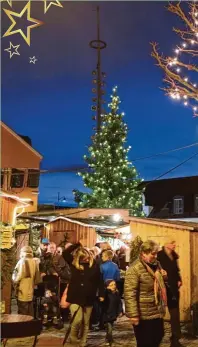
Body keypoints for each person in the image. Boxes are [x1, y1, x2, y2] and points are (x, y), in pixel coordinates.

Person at [124, 240, 167, 347]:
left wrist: (164, 277)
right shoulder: (135, 269)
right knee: (145, 342)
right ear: (144, 253)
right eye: (153, 253)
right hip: (143, 313)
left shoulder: (157, 265)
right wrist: (133, 315)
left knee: (159, 336)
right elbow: (130, 293)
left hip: (156, 309)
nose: (156, 256)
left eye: (156, 253)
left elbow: (158, 283)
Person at [62, 244, 104, 347]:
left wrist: (101, 294)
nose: (85, 259)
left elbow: (100, 281)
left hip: (89, 297)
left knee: (86, 323)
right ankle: (74, 339)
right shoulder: (73, 264)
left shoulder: (94, 265)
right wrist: (76, 245)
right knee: (77, 320)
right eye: (82, 257)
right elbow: (65, 253)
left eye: (86, 257)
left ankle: (83, 342)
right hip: (75, 297)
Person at [157, 238, 182, 347]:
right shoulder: (159, 255)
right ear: (166, 244)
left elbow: (176, 270)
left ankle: (175, 339)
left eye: (174, 243)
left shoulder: (174, 255)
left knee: (175, 314)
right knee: (158, 314)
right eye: (173, 243)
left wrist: (179, 279)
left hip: (173, 290)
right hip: (162, 288)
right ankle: (157, 337)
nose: (174, 245)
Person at [12, 246, 41, 316]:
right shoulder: (34, 262)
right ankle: (29, 325)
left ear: (22, 252)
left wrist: (14, 280)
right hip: (30, 289)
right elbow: (36, 276)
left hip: (22, 289)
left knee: (22, 310)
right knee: (30, 309)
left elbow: (17, 275)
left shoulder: (22, 261)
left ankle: (22, 326)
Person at [103, 280, 123, 346]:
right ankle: (110, 341)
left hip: (113, 313)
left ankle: (107, 339)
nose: (113, 286)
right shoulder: (106, 293)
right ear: (107, 286)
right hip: (107, 314)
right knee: (109, 328)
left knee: (110, 327)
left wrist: (120, 311)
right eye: (111, 285)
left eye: (114, 284)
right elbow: (103, 302)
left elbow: (119, 303)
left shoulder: (116, 294)